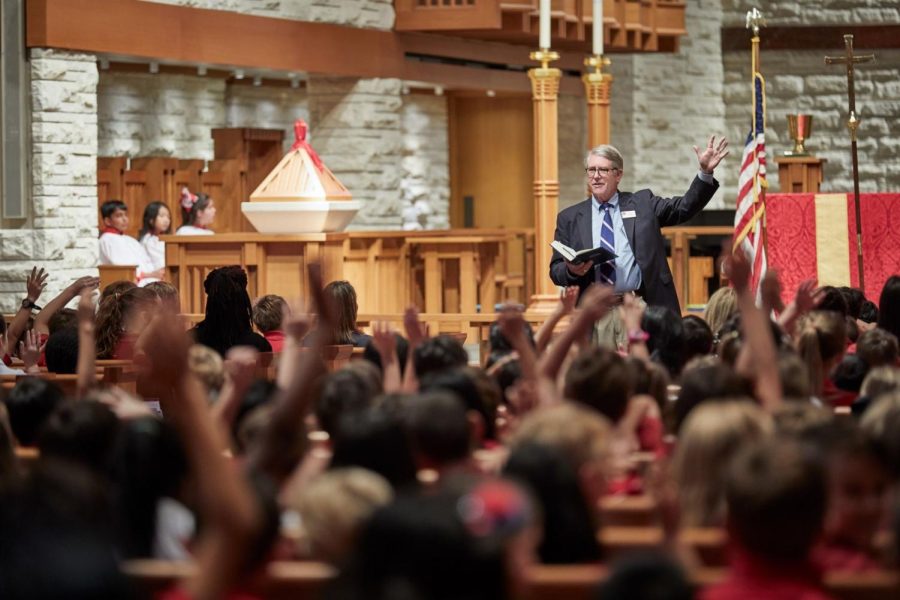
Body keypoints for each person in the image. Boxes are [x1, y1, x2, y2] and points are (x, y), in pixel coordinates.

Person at [549, 137, 728, 315]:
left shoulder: (642, 204)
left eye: (603, 170)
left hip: (637, 307)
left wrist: (705, 173)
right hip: (593, 313)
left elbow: (683, 208)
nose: (595, 176)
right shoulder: (569, 218)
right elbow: (556, 271)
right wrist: (571, 271)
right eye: (591, 170)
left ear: (618, 174)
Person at [98, 200, 163, 286]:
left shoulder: (130, 240)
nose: (125, 219)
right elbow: (123, 269)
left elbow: (146, 262)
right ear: (107, 221)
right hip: (127, 284)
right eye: (119, 216)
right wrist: (149, 275)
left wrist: (156, 272)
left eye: (125, 215)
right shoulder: (106, 240)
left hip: (145, 280)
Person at [138, 201, 171, 275]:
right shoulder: (148, 240)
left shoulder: (167, 238)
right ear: (151, 220)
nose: (166, 220)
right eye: (162, 216)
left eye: (168, 217)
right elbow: (159, 263)